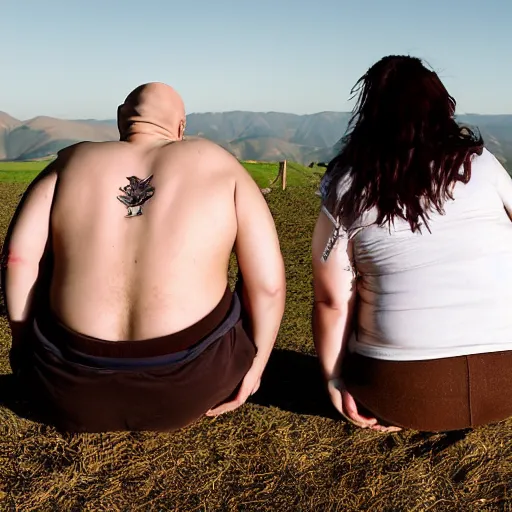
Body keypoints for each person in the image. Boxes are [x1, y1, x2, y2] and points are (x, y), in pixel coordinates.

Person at [1, 82, 286, 432]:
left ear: (122, 118)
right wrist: (254, 369)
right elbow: (268, 287)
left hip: (66, 386)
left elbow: (17, 259)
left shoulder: (70, 161)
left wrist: (25, 348)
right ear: (181, 127)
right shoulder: (223, 167)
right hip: (193, 388)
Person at [312, 55, 512, 433]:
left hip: (399, 395)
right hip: (507, 385)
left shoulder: (347, 185)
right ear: (443, 106)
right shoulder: (482, 164)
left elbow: (332, 300)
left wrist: (333, 379)